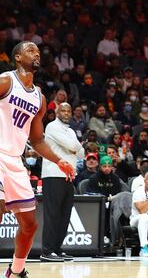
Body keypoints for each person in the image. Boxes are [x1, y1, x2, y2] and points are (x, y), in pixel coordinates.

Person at [0, 41, 75, 277]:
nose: (36, 54)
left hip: (15, 160)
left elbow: (38, 140)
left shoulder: (39, 98)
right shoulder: (5, 81)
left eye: (38, 51)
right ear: (18, 58)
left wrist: (59, 160)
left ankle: (16, 270)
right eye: (30, 50)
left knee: (30, 224)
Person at [41, 102, 84, 262]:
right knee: (52, 214)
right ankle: (47, 251)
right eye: (63, 110)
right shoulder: (52, 127)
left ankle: (57, 249)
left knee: (64, 215)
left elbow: (80, 153)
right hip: (53, 174)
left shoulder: (71, 130)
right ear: (57, 112)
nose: (66, 113)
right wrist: (74, 147)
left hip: (69, 176)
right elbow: (73, 145)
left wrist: (74, 147)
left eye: (68, 111)